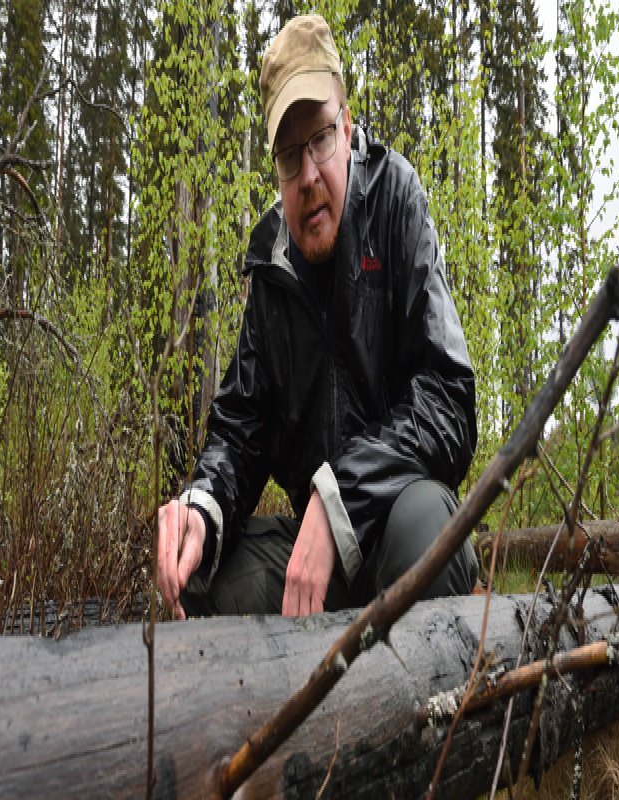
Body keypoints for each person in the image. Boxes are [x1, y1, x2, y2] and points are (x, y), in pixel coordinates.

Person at [156, 13, 479, 619]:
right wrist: (200, 506)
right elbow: (238, 431)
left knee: (424, 530)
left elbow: (449, 403)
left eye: (321, 141)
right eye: (287, 155)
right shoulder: (270, 269)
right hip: (316, 573)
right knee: (200, 567)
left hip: (392, 532)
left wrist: (338, 503)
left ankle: (423, 704)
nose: (308, 176)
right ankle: (303, 692)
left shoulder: (395, 202)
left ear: (348, 128)